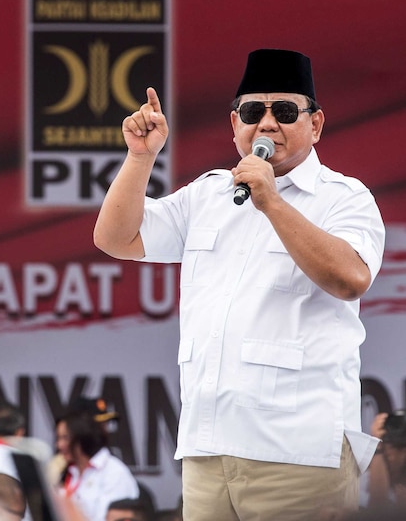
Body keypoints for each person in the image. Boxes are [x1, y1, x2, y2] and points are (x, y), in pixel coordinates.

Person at [93, 49, 386, 520]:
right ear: (234, 125)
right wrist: (139, 158)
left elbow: (351, 279)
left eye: (285, 111)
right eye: (253, 112)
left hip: (298, 454)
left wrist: (271, 200)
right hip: (208, 452)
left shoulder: (343, 197)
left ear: (316, 125)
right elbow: (116, 238)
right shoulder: (208, 193)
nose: (267, 124)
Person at [55, 408, 139, 521]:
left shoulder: (114, 473)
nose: (59, 445)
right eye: (58, 438)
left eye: (65, 438)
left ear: (82, 437)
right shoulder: (68, 472)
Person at [365, 410, 406, 512]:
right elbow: (377, 511)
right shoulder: (364, 483)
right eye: (387, 453)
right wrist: (377, 445)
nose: (390, 458)